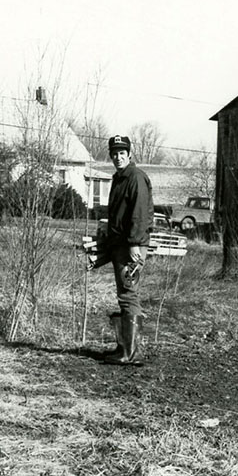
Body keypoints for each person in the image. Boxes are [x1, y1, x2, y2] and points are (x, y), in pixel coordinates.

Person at [103, 134, 153, 364]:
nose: (117, 157)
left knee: (129, 293)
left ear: (130, 154)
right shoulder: (120, 178)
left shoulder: (135, 178)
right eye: (114, 153)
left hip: (131, 246)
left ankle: (130, 353)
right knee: (124, 294)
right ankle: (124, 348)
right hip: (121, 245)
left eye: (122, 153)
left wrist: (134, 242)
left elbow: (140, 213)